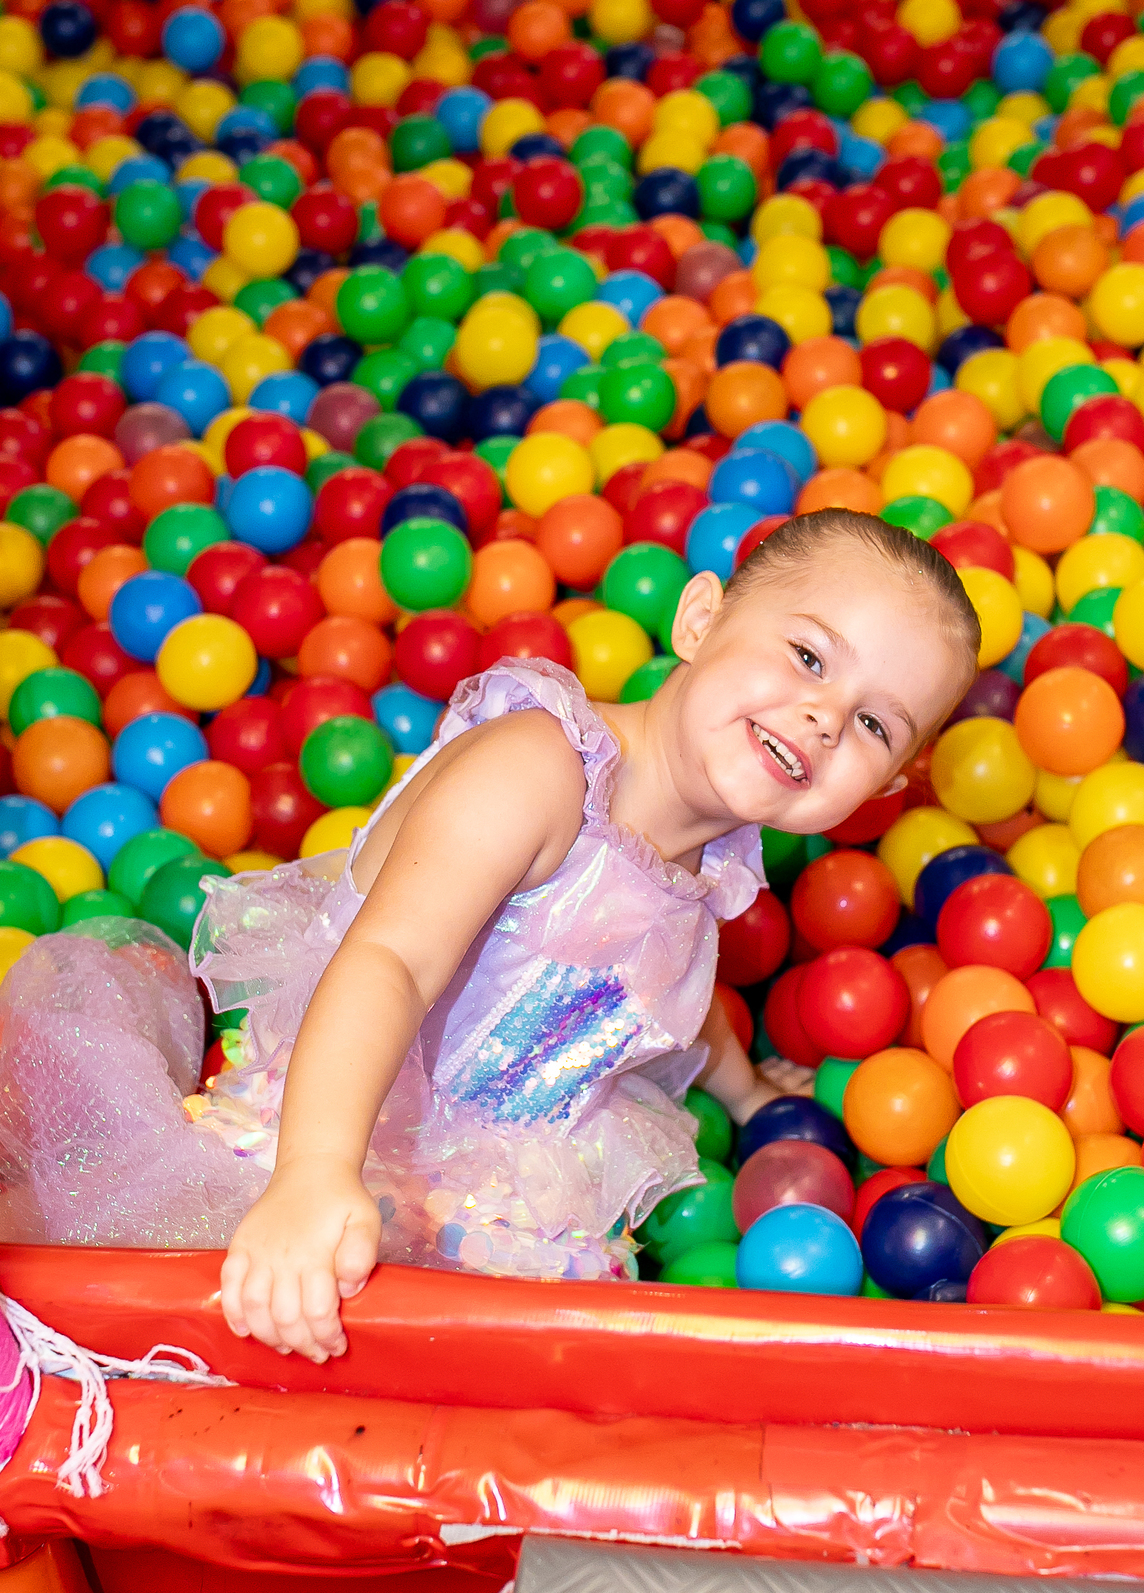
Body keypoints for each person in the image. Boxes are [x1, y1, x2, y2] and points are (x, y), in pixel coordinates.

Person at [207, 508, 981, 1364]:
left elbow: (653, 983)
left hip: (499, 1200)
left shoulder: (714, 864)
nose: (825, 717)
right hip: (334, 1114)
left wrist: (748, 1094)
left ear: (880, 793)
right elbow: (393, 961)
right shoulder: (540, 770)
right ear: (700, 621)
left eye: (874, 725)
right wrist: (315, 1171)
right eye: (808, 656)